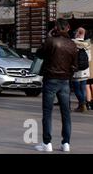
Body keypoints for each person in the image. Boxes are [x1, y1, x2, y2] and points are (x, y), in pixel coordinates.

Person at [35, 19, 77, 152]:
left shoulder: (51, 41)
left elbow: (39, 53)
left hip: (50, 79)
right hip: (65, 80)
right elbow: (75, 65)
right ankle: (66, 143)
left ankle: (47, 143)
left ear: (55, 28)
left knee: (47, 112)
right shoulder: (72, 44)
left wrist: (48, 36)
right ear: (68, 28)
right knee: (66, 113)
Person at [72, 27, 91, 113]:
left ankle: (82, 104)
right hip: (85, 69)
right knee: (83, 88)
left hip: (76, 70)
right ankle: (82, 106)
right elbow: (89, 59)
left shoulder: (72, 43)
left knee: (76, 89)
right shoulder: (88, 44)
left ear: (77, 33)